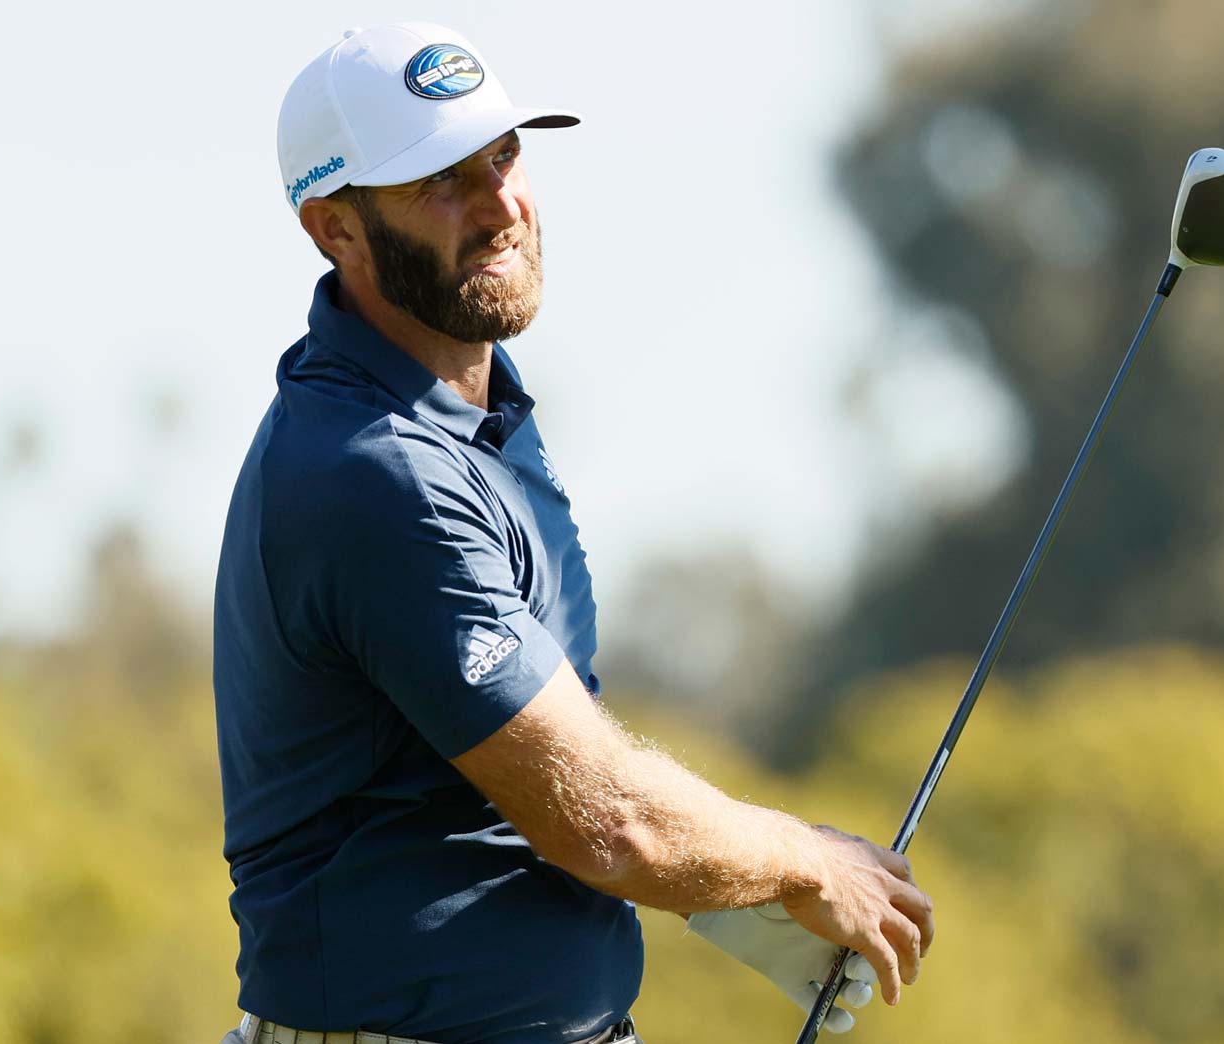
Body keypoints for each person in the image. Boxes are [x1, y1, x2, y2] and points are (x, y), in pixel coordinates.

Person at [213, 22, 933, 1044]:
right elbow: (603, 821)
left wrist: (725, 893)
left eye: (503, 156)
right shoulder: (374, 471)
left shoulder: (477, 413)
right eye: (441, 183)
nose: (500, 204)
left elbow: (533, 768)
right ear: (334, 228)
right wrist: (803, 861)